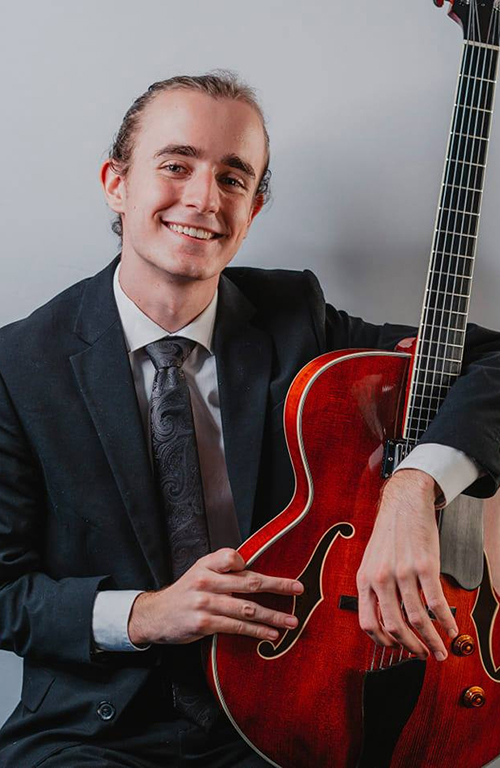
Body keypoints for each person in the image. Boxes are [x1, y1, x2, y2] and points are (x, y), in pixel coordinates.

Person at [0, 71, 499, 767]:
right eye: (176, 166)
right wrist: (145, 613)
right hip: (95, 726)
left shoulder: (296, 317)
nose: (204, 199)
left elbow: (488, 362)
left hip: (288, 703)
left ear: (254, 208)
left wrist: (417, 489)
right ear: (117, 182)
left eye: (234, 179)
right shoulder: (18, 363)